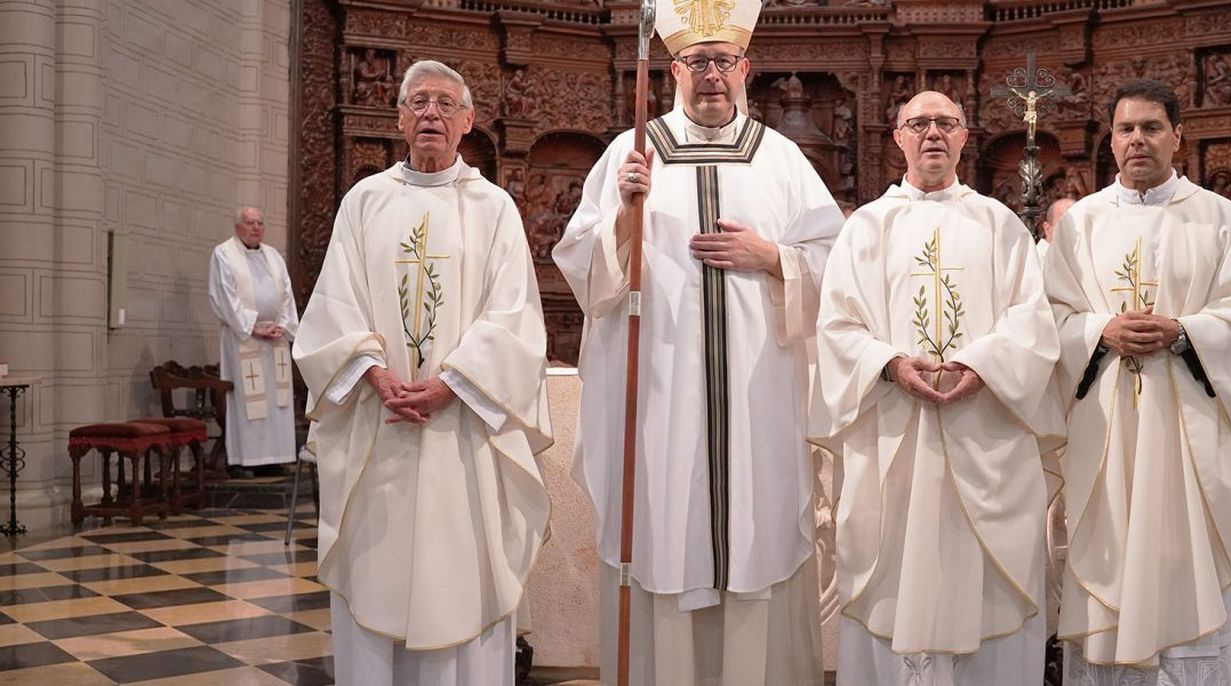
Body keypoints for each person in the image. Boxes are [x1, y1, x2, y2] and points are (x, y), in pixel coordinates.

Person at [552, 1, 842, 682]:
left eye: (722, 61)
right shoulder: (631, 156)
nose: (711, 75)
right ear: (672, 71)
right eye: (695, 62)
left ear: (746, 69)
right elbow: (588, 274)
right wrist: (623, 212)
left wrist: (773, 256)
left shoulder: (783, 159)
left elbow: (839, 264)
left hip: (758, 400)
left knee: (758, 535)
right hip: (661, 399)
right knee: (665, 532)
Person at [293, 59, 553, 685]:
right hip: (377, 425)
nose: (431, 113)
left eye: (444, 103)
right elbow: (334, 305)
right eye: (419, 102)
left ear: (467, 122)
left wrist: (450, 385)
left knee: (458, 575)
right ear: (399, 119)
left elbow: (513, 313)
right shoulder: (365, 201)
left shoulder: (494, 208)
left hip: (461, 430)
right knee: (375, 575)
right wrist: (374, 373)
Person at [811, 91, 1065, 686]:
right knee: (894, 574)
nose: (932, 134)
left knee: (986, 582)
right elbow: (837, 326)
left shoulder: (1001, 225)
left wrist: (982, 365)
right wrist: (891, 363)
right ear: (896, 137)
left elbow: (1033, 320)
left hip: (985, 433)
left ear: (964, 136)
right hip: (894, 435)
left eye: (945, 124)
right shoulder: (866, 228)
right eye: (918, 124)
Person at [1043, 78, 1231, 683]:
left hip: (1190, 425)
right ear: (1111, 141)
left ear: (1178, 135)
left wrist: (1184, 329)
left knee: (1192, 548)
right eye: (1125, 129)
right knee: (1113, 545)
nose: (1137, 140)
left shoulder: (1218, 217)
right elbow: (1050, 320)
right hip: (1108, 426)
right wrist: (1100, 329)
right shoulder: (1081, 224)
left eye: (1151, 128)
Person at [207, 206, 299, 478]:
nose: (256, 227)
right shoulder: (224, 254)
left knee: (276, 400)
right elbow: (223, 295)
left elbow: (287, 294)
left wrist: (283, 325)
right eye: (250, 223)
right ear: (238, 227)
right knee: (247, 399)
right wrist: (252, 327)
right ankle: (244, 460)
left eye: (260, 222)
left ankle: (273, 457)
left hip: (275, 340)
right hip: (243, 338)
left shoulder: (273, 256)